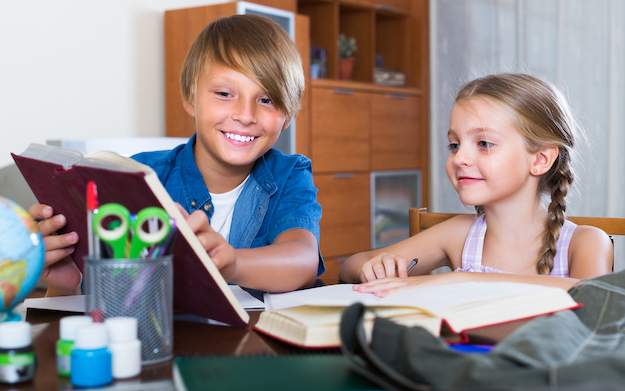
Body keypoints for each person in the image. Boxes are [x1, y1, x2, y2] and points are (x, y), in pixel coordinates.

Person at [29, 14, 323, 296]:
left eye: (267, 99)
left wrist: (233, 263)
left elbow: (302, 259)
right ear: (189, 97)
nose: (246, 116)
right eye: (224, 94)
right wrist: (66, 287)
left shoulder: (290, 175)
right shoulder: (141, 175)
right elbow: (112, 298)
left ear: (288, 115)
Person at [339, 73, 612, 295]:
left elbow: (591, 301)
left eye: (484, 143)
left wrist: (459, 281)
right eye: (454, 144)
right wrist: (374, 267)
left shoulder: (586, 242)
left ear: (540, 159)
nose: (460, 158)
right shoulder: (457, 233)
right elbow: (350, 267)